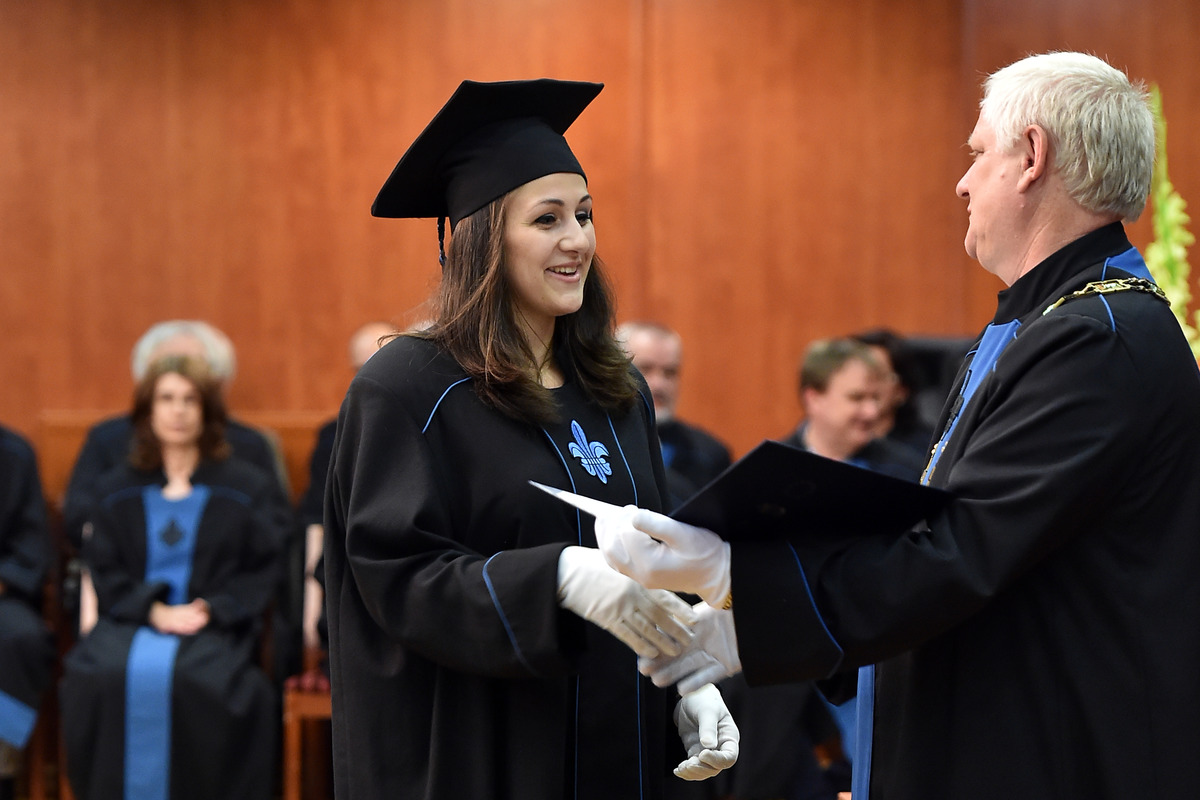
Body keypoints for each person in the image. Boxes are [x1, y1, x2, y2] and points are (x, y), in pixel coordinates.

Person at [593, 52, 1200, 799]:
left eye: (978, 153)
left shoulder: (1096, 338)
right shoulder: (1052, 323)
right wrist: (762, 617)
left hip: (1055, 754)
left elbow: (961, 553)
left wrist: (740, 582)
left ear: (1032, 158)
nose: (963, 182)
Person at [323, 79, 738, 800]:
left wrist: (686, 678)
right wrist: (558, 578)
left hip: (622, 743)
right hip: (489, 747)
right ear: (484, 240)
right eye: (547, 219)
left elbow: (654, 554)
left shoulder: (617, 388)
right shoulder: (407, 387)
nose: (577, 239)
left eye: (584, 214)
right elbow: (399, 579)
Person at [59, 355, 290, 800]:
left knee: (208, 685)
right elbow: (102, 566)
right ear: (147, 411)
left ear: (208, 412)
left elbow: (264, 565)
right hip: (130, 621)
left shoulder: (247, 487)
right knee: (98, 678)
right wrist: (153, 611)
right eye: (166, 399)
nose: (178, 411)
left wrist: (212, 609)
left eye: (190, 400)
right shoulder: (115, 487)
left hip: (213, 626)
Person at [62, 319, 285, 551]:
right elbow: (81, 517)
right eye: (166, 393)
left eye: (193, 375)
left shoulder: (251, 446)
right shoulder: (107, 441)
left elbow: (273, 531)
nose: (178, 409)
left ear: (217, 386)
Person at [617, 321, 732, 507]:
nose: (659, 384)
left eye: (669, 373)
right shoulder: (594, 439)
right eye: (645, 369)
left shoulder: (709, 454)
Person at [0, 425, 55, 800]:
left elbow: (32, 546)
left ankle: (3, 774)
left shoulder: (15, 454)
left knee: (20, 638)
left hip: (3, 593)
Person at [783, 338, 924, 481]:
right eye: (857, 398)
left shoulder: (908, 473)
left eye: (875, 398)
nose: (872, 412)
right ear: (814, 399)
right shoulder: (775, 467)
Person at [848, 328, 935, 460]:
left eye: (876, 374)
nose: (864, 384)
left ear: (902, 390)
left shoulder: (927, 451)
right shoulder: (832, 441)